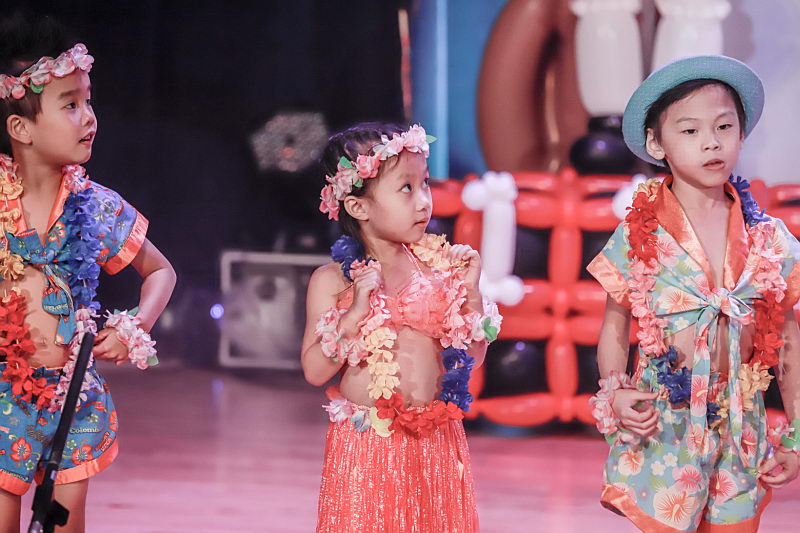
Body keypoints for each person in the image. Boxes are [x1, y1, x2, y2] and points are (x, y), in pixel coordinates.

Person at [587, 55, 800, 532]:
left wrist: (796, 438)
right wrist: (615, 392)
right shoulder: (639, 235)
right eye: (690, 130)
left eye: (724, 126)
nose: (711, 142)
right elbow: (615, 325)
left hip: (741, 423)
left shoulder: (769, 240)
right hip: (666, 420)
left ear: (741, 134)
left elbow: (788, 341)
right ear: (656, 143)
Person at [0, 17, 176, 533]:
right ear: (21, 128)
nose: (89, 118)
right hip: (2, 396)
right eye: (70, 105)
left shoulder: (97, 207)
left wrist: (134, 325)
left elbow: (161, 271)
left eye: (88, 101)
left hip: (72, 398)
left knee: (64, 524)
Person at [301, 122, 501, 532]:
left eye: (425, 183)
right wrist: (354, 315)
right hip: (366, 446)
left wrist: (470, 295)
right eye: (406, 188)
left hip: (434, 440)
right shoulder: (334, 281)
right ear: (358, 207)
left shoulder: (442, 270)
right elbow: (315, 371)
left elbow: (474, 359)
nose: (424, 201)